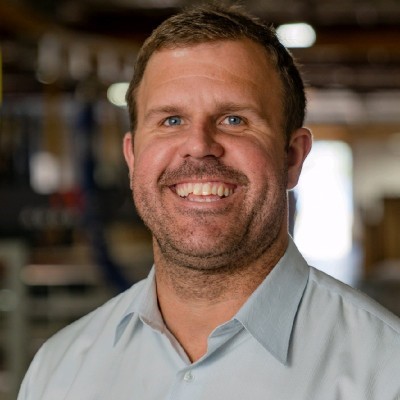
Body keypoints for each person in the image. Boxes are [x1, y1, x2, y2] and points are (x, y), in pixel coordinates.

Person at [18, 4, 400, 399]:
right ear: (132, 158)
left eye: (234, 119)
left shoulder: (386, 373)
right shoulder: (57, 372)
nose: (199, 146)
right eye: (171, 120)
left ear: (292, 158)